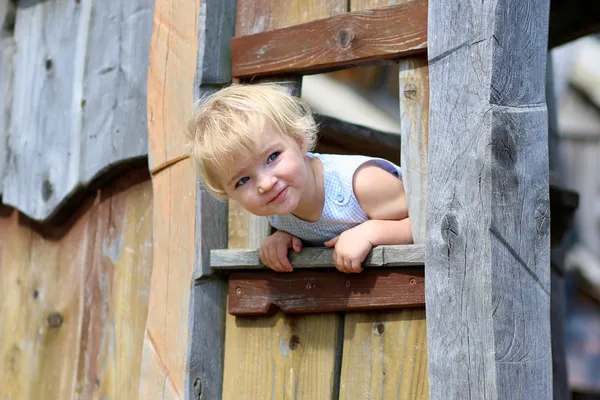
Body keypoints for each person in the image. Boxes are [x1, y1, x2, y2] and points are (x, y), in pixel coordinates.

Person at [186, 83, 412, 273]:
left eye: (272, 157)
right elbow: (320, 228)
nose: (265, 184)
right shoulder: (279, 212)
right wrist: (287, 238)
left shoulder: (362, 183)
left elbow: (427, 223)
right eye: (242, 181)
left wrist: (371, 232)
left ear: (299, 141)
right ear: (228, 193)